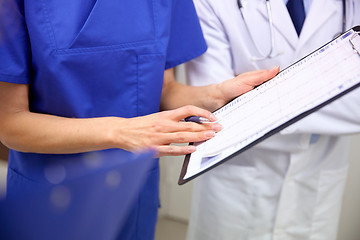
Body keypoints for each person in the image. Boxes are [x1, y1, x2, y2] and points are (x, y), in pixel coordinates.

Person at [0, 0, 279, 239]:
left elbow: (165, 91)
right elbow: (10, 124)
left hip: (133, 192)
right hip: (51, 194)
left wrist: (217, 94)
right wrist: (121, 131)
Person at [185, 0, 360, 240]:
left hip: (318, 180)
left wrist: (253, 100)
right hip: (236, 185)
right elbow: (212, 113)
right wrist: (333, 86)